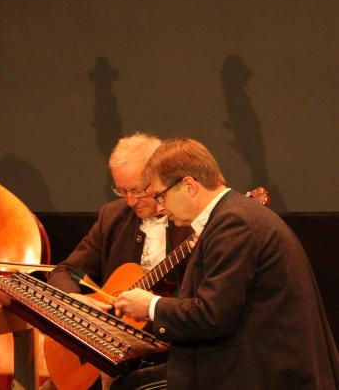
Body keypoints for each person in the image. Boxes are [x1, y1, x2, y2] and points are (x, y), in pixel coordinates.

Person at [113, 138, 339, 389]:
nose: (161, 207)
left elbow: (211, 316)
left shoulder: (234, 223)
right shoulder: (230, 217)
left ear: (188, 185)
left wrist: (151, 306)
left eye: (161, 195)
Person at [45, 133, 193, 390]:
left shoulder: (194, 223)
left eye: (137, 190)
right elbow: (65, 271)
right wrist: (74, 301)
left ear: (161, 178)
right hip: (106, 349)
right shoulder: (112, 216)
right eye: (122, 190)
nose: (130, 201)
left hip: (169, 354)